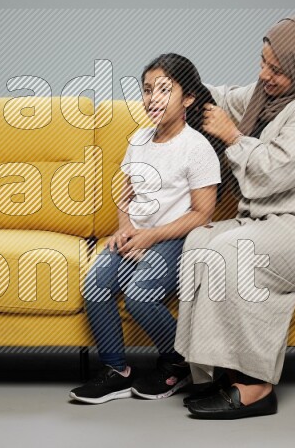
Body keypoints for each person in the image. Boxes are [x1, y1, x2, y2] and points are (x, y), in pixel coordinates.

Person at [176, 15, 295, 419]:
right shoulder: (269, 94)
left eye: (276, 70)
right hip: (272, 220)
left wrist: (232, 136)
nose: (265, 74)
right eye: (262, 63)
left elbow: (275, 171)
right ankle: (214, 369)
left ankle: (255, 387)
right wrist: (180, 84)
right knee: (199, 244)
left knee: (236, 252)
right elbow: (226, 97)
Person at [69, 54, 222, 404]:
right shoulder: (138, 139)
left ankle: (179, 363)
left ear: (188, 99)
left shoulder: (196, 148)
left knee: (140, 293)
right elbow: (125, 193)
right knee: (95, 284)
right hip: (137, 237)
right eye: (148, 90)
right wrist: (124, 228)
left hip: (174, 239)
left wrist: (151, 236)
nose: (153, 98)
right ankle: (116, 371)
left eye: (165, 90)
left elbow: (203, 214)